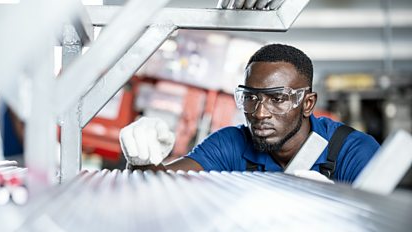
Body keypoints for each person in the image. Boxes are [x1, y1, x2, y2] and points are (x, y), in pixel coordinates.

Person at [120, 44, 380, 184]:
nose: (260, 113)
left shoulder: (353, 152)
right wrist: (142, 158)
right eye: (250, 98)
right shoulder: (231, 144)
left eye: (278, 99)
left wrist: (336, 206)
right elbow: (158, 186)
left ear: (308, 103)